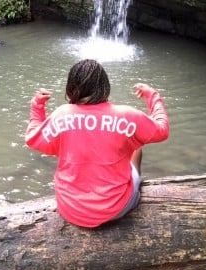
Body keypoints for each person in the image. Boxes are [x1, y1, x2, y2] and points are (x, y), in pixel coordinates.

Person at [25, 58, 169, 228]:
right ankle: (131, 186)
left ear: (70, 90)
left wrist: (37, 106)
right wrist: (152, 96)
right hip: (116, 209)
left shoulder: (61, 115)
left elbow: (33, 138)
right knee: (136, 147)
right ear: (105, 88)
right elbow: (162, 130)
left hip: (70, 210)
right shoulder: (127, 116)